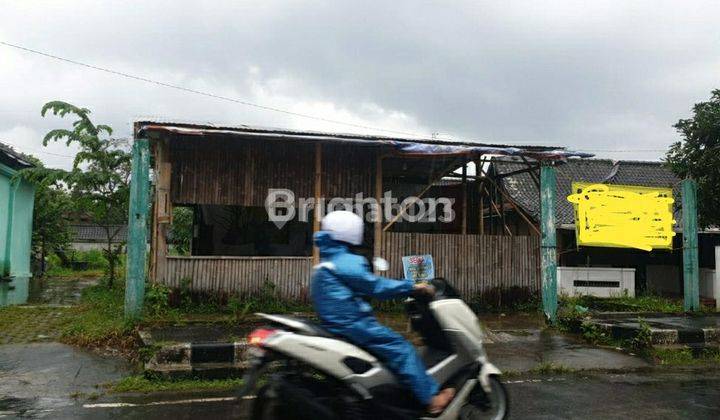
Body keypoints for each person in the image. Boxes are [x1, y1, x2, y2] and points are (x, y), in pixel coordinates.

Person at [310, 210, 455, 414]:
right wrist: (411, 287)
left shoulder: (326, 260)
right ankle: (431, 399)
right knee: (401, 348)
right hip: (354, 324)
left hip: (335, 324)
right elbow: (376, 286)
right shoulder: (346, 261)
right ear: (352, 232)